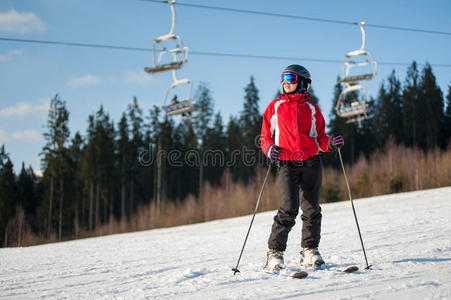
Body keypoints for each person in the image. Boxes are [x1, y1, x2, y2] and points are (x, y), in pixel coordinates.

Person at [260, 64, 344, 271]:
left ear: (303, 83)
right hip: (287, 162)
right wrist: (270, 149)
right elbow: (265, 137)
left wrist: (330, 144)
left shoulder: (313, 109)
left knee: (312, 208)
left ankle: (310, 251)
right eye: (283, 78)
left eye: (290, 78)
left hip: (312, 162)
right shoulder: (275, 107)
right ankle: (274, 254)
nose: (285, 82)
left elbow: (321, 138)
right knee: (289, 208)